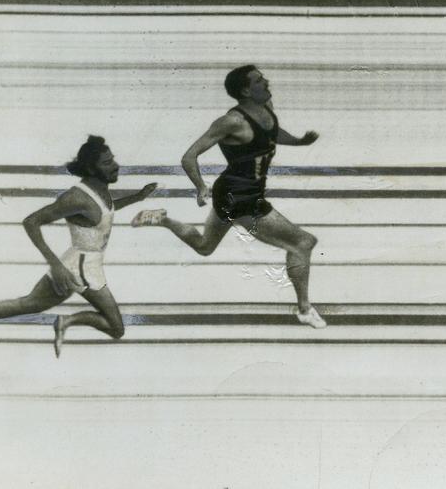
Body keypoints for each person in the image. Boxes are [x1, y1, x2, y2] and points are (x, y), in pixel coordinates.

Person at [0, 136, 158, 356]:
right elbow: (31, 222)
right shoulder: (76, 198)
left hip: (77, 261)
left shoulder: (99, 190)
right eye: (107, 163)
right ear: (91, 168)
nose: (115, 165)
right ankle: (67, 322)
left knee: (23, 305)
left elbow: (103, 212)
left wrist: (137, 197)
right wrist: (56, 266)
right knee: (116, 329)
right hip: (82, 268)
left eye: (112, 159)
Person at [131, 65, 326, 327]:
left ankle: (163, 220)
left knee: (204, 247)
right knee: (302, 243)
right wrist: (200, 186)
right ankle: (304, 309)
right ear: (245, 90)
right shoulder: (232, 121)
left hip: (236, 194)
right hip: (240, 199)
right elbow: (189, 156)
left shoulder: (266, 106)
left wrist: (298, 142)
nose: (266, 81)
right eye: (258, 80)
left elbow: (272, 132)